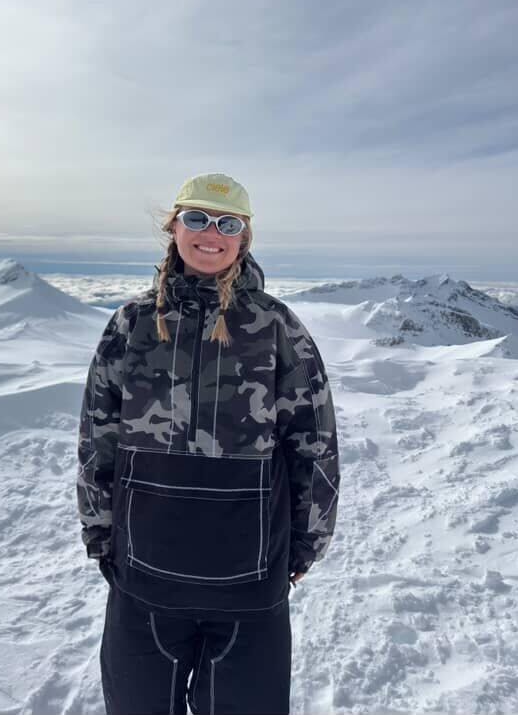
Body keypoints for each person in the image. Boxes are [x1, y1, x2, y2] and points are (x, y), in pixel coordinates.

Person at [77, 172, 340, 715]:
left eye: (228, 224)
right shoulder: (131, 325)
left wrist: (306, 543)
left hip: (250, 583)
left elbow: (313, 442)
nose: (211, 234)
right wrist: (100, 533)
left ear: (245, 237)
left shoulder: (276, 327)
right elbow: (99, 437)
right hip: (143, 579)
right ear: (174, 228)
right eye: (196, 218)